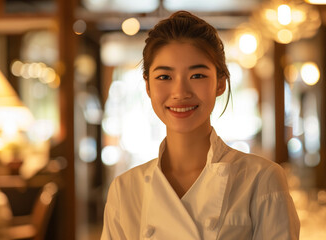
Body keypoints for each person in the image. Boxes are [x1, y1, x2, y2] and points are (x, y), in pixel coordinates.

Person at [101, 11, 300, 240]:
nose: (180, 93)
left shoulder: (262, 179)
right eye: (164, 77)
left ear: (220, 83)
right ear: (148, 87)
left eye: (197, 75)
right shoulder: (125, 189)